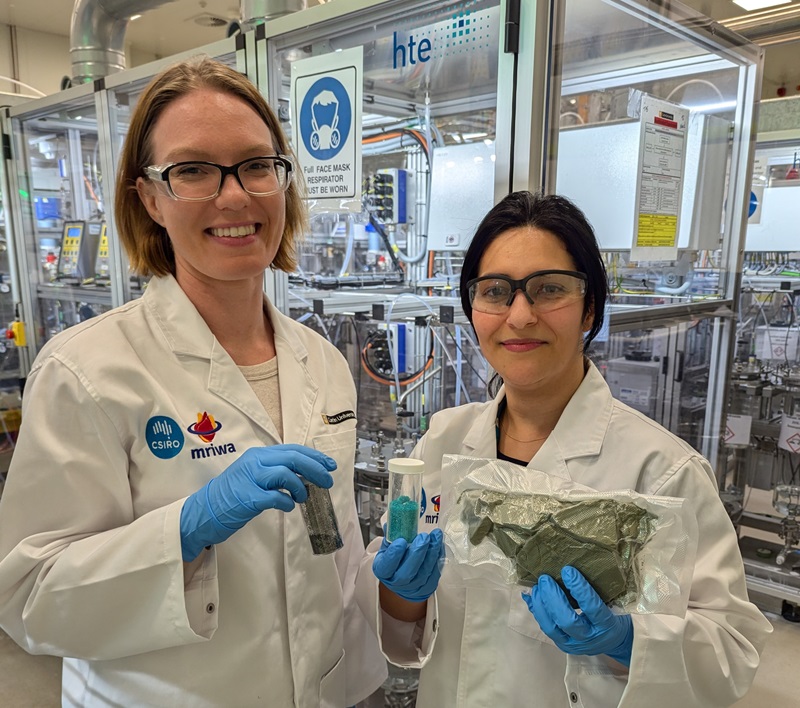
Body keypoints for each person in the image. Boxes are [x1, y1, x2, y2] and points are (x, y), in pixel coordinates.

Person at [0, 57, 387, 707]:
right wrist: (184, 528)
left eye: (256, 164)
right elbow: (27, 595)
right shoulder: (88, 370)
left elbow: (331, 551)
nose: (234, 195)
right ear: (148, 196)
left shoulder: (320, 361)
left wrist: (385, 619)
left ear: (282, 181)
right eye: (193, 170)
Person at [355, 191, 772, 707]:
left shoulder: (662, 470)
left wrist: (628, 641)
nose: (521, 315)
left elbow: (731, 654)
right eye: (495, 291)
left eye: (549, 289)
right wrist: (401, 594)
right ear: (473, 309)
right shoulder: (443, 439)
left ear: (590, 307)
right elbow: (406, 625)